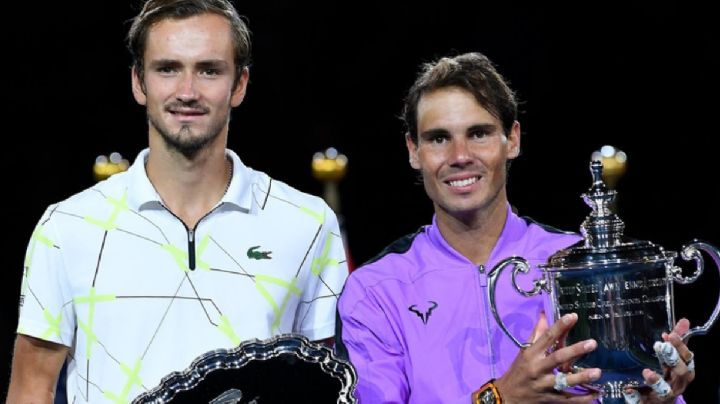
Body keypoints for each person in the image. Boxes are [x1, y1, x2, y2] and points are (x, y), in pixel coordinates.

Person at [6, 0, 348, 402]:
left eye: (209, 70)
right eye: (167, 68)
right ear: (138, 82)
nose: (187, 92)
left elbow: (325, 385)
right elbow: (32, 388)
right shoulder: (67, 227)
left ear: (239, 85)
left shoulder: (307, 223)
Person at [336, 52, 695, 403]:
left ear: (513, 139)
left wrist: (656, 390)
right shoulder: (376, 291)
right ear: (413, 150)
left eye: (479, 133)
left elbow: (632, 385)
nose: (460, 156)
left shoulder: (582, 264)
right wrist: (499, 398)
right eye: (439, 138)